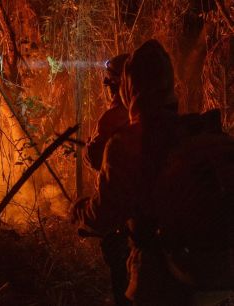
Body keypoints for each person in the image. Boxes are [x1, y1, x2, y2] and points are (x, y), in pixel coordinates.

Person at [73, 39, 185, 305]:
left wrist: (81, 211)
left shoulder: (126, 142)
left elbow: (104, 213)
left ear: (127, 87)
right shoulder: (191, 131)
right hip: (202, 274)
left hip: (155, 275)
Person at [83, 53, 131, 306]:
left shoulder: (115, 121)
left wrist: (83, 211)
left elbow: (96, 159)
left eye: (110, 82)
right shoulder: (168, 118)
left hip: (132, 238)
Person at [84, 54, 129, 171]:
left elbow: (95, 158)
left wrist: (89, 148)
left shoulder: (112, 118)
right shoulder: (146, 112)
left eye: (108, 81)